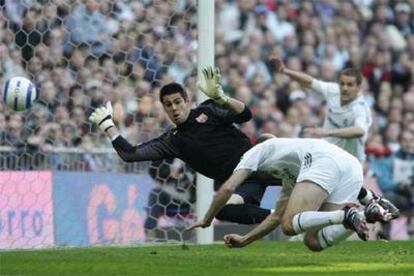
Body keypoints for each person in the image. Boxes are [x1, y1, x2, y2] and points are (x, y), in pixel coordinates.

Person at [89, 66, 276, 225]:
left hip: (261, 163)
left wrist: (221, 98)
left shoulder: (209, 109)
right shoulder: (172, 141)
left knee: (273, 145)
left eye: (178, 102)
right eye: (168, 105)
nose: (174, 108)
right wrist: (108, 125)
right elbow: (129, 154)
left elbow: (245, 115)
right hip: (244, 181)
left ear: (187, 101)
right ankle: (280, 216)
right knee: (222, 210)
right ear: (164, 109)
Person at [188, 137, 382, 251]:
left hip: (325, 161)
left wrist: (207, 219)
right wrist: (245, 240)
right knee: (313, 241)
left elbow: (228, 188)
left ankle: (346, 214)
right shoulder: (291, 171)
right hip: (350, 165)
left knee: (290, 225)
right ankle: (365, 213)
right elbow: (276, 217)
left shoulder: (254, 153)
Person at [271, 57, 399, 220]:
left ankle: (372, 206)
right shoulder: (333, 91)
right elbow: (310, 82)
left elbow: (359, 131)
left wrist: (327, 133)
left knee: (333, 209)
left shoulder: (360, 108)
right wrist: (284, 71)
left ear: (359, 87)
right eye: (342, 83)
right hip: (327, 157)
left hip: (350, 162)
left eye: (350, 85)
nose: (345, 88)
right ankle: (374, 202)